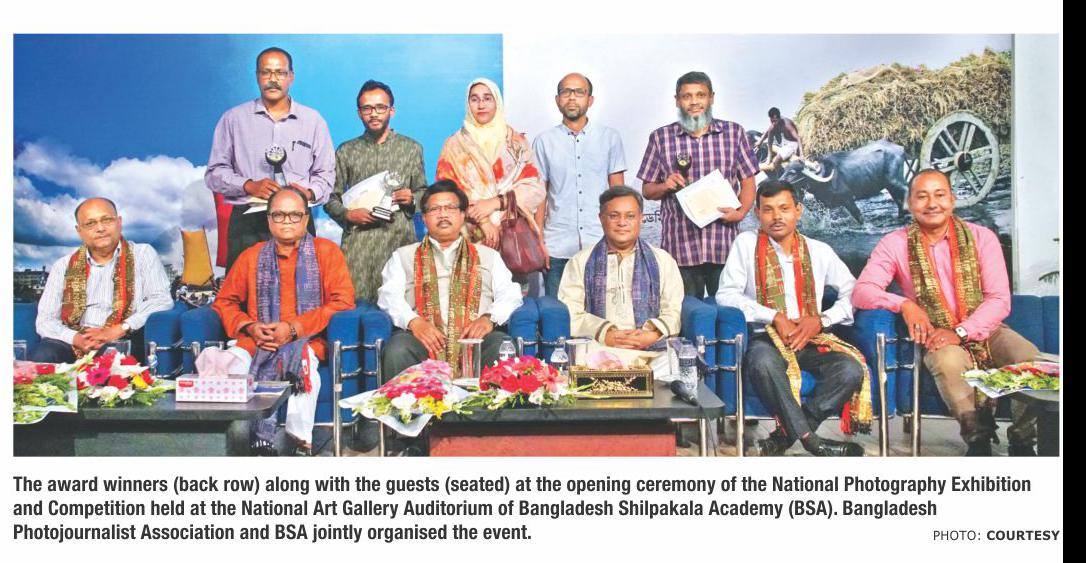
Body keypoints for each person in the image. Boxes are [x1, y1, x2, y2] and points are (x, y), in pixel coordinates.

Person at [852, 169, 1041, 456]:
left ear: (952, 200)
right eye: (922, 196)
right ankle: (977, 441)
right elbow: (862, 291)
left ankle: (1022, 440)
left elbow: (999, 300)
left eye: (939, 195)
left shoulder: (982, 238)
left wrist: (961, 331)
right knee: (948, 361)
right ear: (909, 203)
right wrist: (905, 304)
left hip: (987, 329)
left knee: (1030, 360)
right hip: (935, 335)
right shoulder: (895, 243)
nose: (932, 203)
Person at [717, 180, 871, 457]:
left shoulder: (819, 250)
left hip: (811, 338)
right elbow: (726, 295)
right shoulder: (745, 244)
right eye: (768, 210)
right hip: (766, 338)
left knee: (850, 370)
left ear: (798, 210)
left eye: (784, 208)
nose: (776, 216)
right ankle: (813, 442)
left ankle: (784, 438)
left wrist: (822, 320)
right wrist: (774, 316)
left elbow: (855, 292)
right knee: (763, 363)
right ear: (757, 214)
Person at [212, 187, 355, 456]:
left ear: (305, 218)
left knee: (303, 368)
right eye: (279, 215)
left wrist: (293, 329)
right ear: (269, 220)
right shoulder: (251, 256)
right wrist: (250, 327)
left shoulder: (326, 252)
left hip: (306, 342)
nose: (287, 221)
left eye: (294, 215)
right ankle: (238, 448)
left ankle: (297, 445)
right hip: (258, 342)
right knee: (226, 368)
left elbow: (342, 302)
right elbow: (225, 302)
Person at [205, 46, 335, 269]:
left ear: (291, 77)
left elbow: (326, 173)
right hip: (248, 223)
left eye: (280, 73)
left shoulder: (313, 121)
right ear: (257, 76)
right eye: (266, 72)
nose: (273, 79)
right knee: (245, 289)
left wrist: (309, 193)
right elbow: (214, 173)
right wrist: (248, 185)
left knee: (302, 287)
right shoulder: (233, 119)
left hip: (296, 220)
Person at [377, 181, 523, 379]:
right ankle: (411, 400)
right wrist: (414, 322)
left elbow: (510, 294)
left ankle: (489, 401)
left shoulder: (489, 256)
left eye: (450, 208)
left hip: (477, 339)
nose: (443, 214)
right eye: (435, 209)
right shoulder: (403, 256)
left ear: (463, 215)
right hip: (422, 338)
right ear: (424, 218)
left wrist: (489, 319)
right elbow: (388, 297)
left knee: (500, 346)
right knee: (398, 349)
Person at [638, 71, 759, 298]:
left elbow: (748, 181)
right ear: (677, 100)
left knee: (729, 311)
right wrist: (665, 185)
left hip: (723, 245)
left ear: (711, 98)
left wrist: (741, 213)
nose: (694, 102)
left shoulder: (734, 133)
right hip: (680, 246)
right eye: (687, 96)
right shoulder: (661, 137)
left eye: (700, 95)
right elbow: (647, 190)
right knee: (687, 312)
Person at [33, 198, 173, 363]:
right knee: (44, 354)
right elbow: (46, 320)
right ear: (79, 231)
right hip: (74, 340)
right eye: (90, 223)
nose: (100, 228)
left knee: (112, 356)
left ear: (119, 222)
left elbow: (161, 300)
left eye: (107, 220)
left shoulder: (143, 254)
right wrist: (76, 338)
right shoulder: (63, 266)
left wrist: (119, 329)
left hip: (123, 336)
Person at [325, 80, 427, 303]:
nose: (374, 114)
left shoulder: (411, 149)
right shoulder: (346, 151)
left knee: (400, 305)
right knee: (356, 305)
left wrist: (411, 199)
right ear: (359, 113)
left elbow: (424, 194)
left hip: (398, 240)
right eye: (367, 108)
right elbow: (330, 198)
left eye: (380, 107)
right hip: (358, 245)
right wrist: (347, 215)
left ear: (392, 110)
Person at [532, 72, 626, 296]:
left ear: (590, 100)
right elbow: (540, 196)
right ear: (557, 100)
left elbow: (619, 195)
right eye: (566, 92)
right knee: (557, 313)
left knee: (602, 311)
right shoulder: (544, 141)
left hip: (600, 243)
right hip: (557, 246)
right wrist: (539, 241)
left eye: (579, 92)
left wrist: (619, 241)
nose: (572, 97)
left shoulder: (609, 138)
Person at [558, 186, 682, 350]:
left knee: (671, 363)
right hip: (599, 347)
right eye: (614, 216)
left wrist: (652, 335)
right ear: (601, 218)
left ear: (641, 218)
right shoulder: (580, 261)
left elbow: (674, 309)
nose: (622, 223)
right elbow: (570, 311)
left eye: (630, 216)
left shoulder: (663, 260)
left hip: (653, 349)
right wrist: (605, 334)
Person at [436, 78, 545, 251]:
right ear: (468, 104)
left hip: (513, 236)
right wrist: (483, 221)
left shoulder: (516, 143)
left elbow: (535, 188)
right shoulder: (454, 145)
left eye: (487, 98)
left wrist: (496, 203)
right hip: (469, 234)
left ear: (497, 102)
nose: (481, 105)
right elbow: (446, 192)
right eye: (474, 99)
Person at [753, 107, 804, 172]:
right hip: (784, 143)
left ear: (779, 118)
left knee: (775, 161)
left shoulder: (787, 124)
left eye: (775, 121)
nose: (773, 123)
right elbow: (768, 132)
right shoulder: (773, 125)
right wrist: (760, 141)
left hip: (792, 143)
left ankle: (758, 167)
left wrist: (801, 154)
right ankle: (769, 158)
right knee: (769, 138)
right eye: (772, 121)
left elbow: (798, 138)